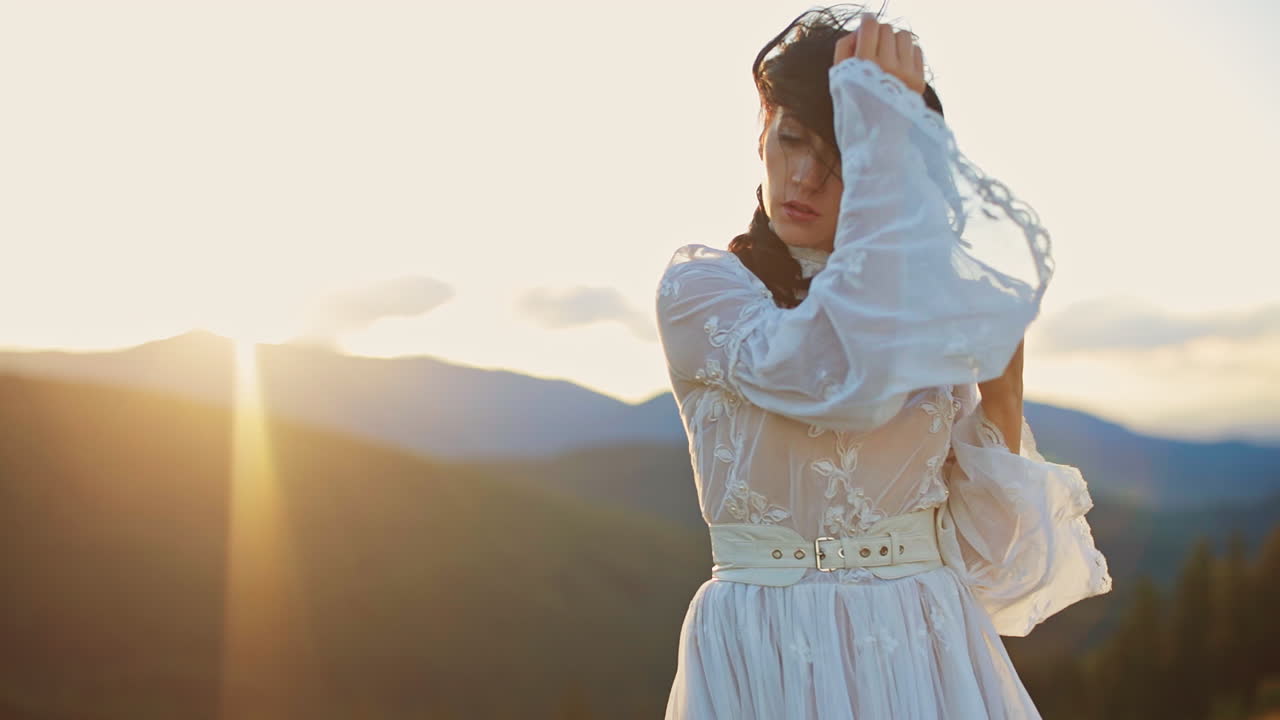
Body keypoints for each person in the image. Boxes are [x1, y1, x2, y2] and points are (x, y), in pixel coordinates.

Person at [654, 6, 1112, 719]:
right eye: (791, 139)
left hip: (923, 648)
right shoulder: (704, 290)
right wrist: (879, 149)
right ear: (762, 134)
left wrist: (1004, 387)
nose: (804, 177)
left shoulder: (916, 306)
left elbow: (990, 563)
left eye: (842, 155)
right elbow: (841, 381)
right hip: (766, 649)